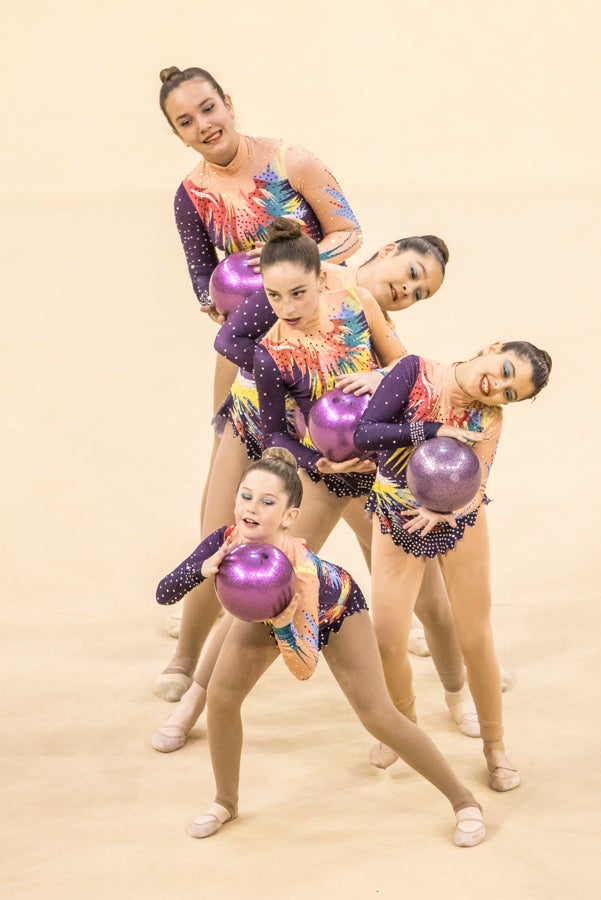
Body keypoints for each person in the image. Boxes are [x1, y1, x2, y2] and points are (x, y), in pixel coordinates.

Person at [152, 223, 476, 746]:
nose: (288, 305)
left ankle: (460, 694)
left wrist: (379, 379)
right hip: (325, 471)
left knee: (429, 594)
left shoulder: (356, 303)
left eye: (298, 292)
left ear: (320, 282)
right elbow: (278, 434)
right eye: (277, 296)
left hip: (378, 465)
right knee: (271, 576)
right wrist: (318, 466)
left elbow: (406, 366)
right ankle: (192, 703)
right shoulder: (269, 351)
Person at [154, 447, 486, 847]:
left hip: (333, 610)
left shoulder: (301, 573)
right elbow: (163, 592)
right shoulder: (226, 541)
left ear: (290, 516)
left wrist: (281, 624)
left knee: (378, 715)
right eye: (245, 495)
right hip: (271, 615)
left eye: (267, 501)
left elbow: (304, 665)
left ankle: (464, 802)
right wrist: (200, 569)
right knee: (222, 698)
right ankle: (225, 802)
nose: (251, 508)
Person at [155, 63, 362, 688]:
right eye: (186, 122)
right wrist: (220, 298)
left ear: (229, 103)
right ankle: (186, 660)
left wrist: (288, 268)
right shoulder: (190, 197)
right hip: (251, 357)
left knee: (366, 504)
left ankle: (405, 617)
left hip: (326, 358)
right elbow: (204, 282)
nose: (203, 125)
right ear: (178, 134)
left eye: (208, 109)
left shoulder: (290, 161)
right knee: (219, 519)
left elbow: (348, 231)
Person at [353, 341, 552, 788]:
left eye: (509, 393)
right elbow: (366, 434)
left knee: (476, 637)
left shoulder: (490, 420)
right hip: (398, 515)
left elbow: (479, 481)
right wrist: (431, 430)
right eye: (504, 371)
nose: (497, 387)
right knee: (387, 638)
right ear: (492, 347)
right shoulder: (414, 370)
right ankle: (402, 729)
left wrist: (450, 512)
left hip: (457, 520)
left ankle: (495, 746)